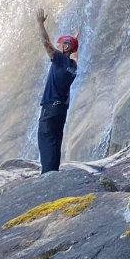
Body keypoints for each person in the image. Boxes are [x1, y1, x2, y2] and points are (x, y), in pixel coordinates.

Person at [35, 9, 79, 174]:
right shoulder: (73, 66)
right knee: (55, 145)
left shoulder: (59, 60)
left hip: (50, 110)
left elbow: (46, 43)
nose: (58, 46)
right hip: (61, 112)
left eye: (62, 44)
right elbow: (75, 55)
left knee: (46, 143)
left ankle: (47, 179)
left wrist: (40, 24)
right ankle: (53, 175)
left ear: (66, 47)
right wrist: (75, 39)